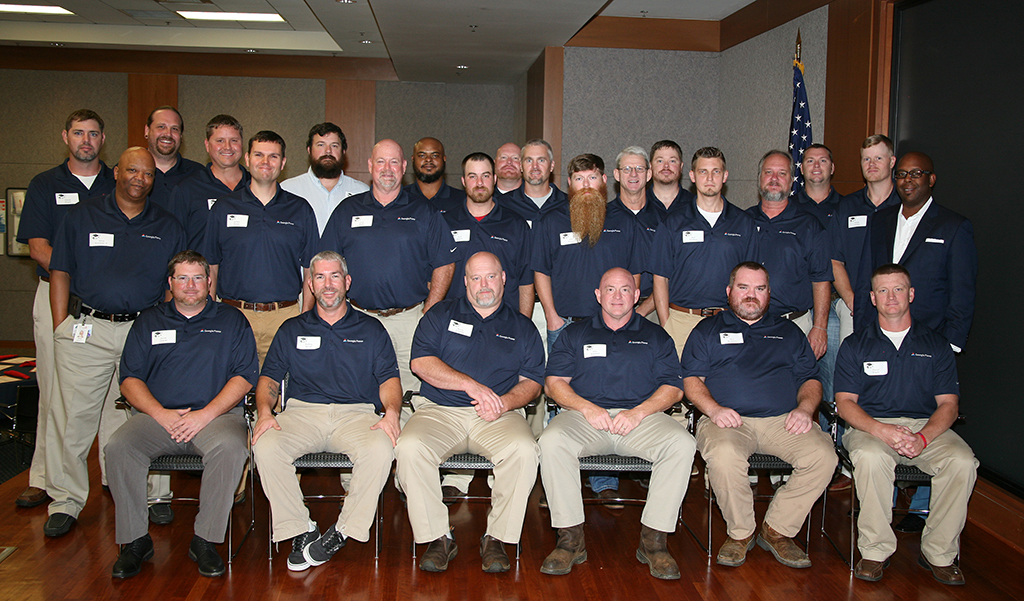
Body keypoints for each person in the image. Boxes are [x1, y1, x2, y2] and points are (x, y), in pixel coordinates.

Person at [44, 147, 186, 538]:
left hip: (145, 330)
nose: (140, 178)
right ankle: (66, 501)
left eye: (147, 173)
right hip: (87, 329)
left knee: (150, 415)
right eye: (132, 170)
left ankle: (157, 497)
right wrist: (61, 327)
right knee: (74, 418)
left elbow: (176, 285)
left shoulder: (168, 224)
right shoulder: (81, 215)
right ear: (116, 172)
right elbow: (60, 271)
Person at [107, 250, 257, 578]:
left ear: (209, 282)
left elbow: (245, 376)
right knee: (118, 446)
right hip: (156, 418)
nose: (190, 285)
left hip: (216, 418)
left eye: (198, 278)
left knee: (231, 449)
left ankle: (205, 540)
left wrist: (203, 415)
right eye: (183, 278)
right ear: (171, 283)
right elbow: (129, 379)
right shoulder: (149, 320)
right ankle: (135, 541)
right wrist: (161, 414)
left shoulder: (232, 320)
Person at [538, 268, 694, 580]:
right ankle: (570, 541)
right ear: (598, 295)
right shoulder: (574, 333)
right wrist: (586, 407)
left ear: (637, 296)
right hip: (585, 418)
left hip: (641, 420)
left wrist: (639, 412)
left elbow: (674, 388)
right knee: (551, 441)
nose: (618, 296)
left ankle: (654, 542)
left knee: (683, 444)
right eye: (610, 289)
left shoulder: (656, 335)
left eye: (625, 290)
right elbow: (553, 383)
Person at [252, 251, 401, 572]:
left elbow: (389, 380)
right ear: (310, 284)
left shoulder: (371, 329)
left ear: (347, 282)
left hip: (357, 414)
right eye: (320, 277)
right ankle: (300, 528)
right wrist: (265, 411)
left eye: (335, 276)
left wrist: (391, 412)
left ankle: (343, 530)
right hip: (302, 413)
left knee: (381, 448)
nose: (328, 284)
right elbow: (269, 378)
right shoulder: (292, 329)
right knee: (265, 446)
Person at [394, 252, 544, 573]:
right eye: (475, 278)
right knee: (408, 447)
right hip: (439, 411)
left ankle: (497, 538)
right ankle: (438, 537)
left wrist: (503, 403)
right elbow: (420, 363)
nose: (483, 285)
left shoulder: (522, 326)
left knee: (525, 450)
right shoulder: (440, 315)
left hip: (498, 415)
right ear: (465, 282)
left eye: (490, 277)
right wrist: (472, 387)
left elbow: (532, 383)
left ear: (504, 279)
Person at [682, 262, 835, 569]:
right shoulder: (707, 330)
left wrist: (805, 409)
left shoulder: (789, 332)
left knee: (824, 457)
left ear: (768, 294)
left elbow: (811, 380)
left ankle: (777, 529)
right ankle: (740, 533)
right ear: (729, 292)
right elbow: (691, 381)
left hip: (783, 421)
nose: (751, 296)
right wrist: (713, 409)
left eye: (759, 289)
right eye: (743, 288)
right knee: (724, 456)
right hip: (727, 420)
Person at [856, 151, 978, 533]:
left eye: (917, 174)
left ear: (931, 179)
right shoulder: (880, 220)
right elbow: (869, 282)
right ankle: (881, 501)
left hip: (932, 345)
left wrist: (950, 347)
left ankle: (923, 509)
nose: (908, 180)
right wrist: (863, 335)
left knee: (934, 420)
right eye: (903, 174)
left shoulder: (955, 226)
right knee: (879, 411)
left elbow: (963, 293)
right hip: (879, 338)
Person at [835, 264, 977, 584]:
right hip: (871, 427)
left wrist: (923, 438)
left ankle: (939, 552)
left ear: (911, 294)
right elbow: (845, 403)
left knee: (963, 461)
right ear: (872, 298)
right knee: (871, 458)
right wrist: (882, 430)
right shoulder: (855, 344)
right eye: (883, 290)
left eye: (898, 289)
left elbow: (949, 405)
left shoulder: (936, 344)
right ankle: (874, 552)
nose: (891, 296)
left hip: (926, 426)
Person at [14, 109, 115, 509]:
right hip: (61, 301)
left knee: (114, 397)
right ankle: (45, 478)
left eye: (93, 134)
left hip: (109, 308)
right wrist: (83, 277)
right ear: (65, 137)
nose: (85, 141)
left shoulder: (117, 181)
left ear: (103, 139)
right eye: (78, 133)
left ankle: (113, 474)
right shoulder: (45, 184)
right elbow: (38, 248)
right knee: (56, 391)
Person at [319, 138, 456, 396]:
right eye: (381, 161)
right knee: (357, 390)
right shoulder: (347, 210)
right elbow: (326, 263)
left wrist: (430, 311)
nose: (387, 168)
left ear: (404, 167)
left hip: (409, 321)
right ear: (370, 166)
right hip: (358, 319)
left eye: (394, 162)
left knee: (411, 395)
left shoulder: (424, 211)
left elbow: (445, 263)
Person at [203, 130, 318, 364]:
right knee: (230, 390)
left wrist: (304, 317)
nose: (265, 162)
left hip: (283, 318)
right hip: (233, 315)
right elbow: (211, 265)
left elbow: (311, 270)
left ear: (283, 162)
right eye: (259, 155)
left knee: (277, 392)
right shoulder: (223, 208)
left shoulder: (300, 209)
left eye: (273, 156)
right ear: (247, 159)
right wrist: (211, 315)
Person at [651, 147, 758, 357]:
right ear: (692, 176)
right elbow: (660, 278)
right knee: (680, 388)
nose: (709, 178)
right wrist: (667, 323)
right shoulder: (673, 222)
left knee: (724, 387)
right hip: (682, 320)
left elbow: (752, 280)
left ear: (725, 176)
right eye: (703, 172)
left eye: (716, 172)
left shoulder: (743, 222)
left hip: (729, 322)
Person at [533, 153, 641, 353]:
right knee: (558, 382)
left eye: (592, 177)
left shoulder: (625, 221)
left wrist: (626, 316)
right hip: (563, 325)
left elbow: (634, 273)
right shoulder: (550, 220)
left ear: (604, 180)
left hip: (612, 324)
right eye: (579, 179)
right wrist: (551, 317)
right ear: (569, 183)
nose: (585, 185)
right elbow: (541, 271)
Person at [746, 150, 832, 361]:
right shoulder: (742, 221)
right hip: (749, 326)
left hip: (795, 325)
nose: (774, 179)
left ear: (792, 181)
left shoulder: (809, 225)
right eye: (768, 172)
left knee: (797, 390)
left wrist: (820, 327)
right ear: (759, 179)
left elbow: (821, 279)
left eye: (782, 173)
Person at [830, 135, 901, 342]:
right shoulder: (846, 206)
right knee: (851, 368)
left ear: (892, 161)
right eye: (866, 159)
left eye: (878, 158)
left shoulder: (904, 206)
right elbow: (835, 261)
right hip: (853, 306)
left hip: (896, 306)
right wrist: (854, 301)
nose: (871, 164)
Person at [167, 114, 249, 250]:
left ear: (242, 144)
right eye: (220, 141)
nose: (227, 147)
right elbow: (173, 242)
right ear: (207, 145)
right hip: (203, 270)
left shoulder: (255, 186)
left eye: (234, 140)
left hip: (246, 271)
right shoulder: (187, 189)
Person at [280, 122, 369, 235]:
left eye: (334, 146)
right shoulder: (287, 190)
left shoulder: (362, 192)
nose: (328, 151)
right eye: (321, 145)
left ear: (343, 151)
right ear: (309, 150)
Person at [609, 146, 657, 318]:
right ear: (616, 174)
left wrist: (642, 311)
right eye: (627, 169)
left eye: (639, 169)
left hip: (653, 309)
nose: (633, 174)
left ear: (649, 174)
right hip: (611, 308)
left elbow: (671, 274)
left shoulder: (664, 220)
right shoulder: (602, 218)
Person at [144, 106, 203, 210]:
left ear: (181, 136)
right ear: (147, 131)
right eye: (161, 127)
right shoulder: (127, 173)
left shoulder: (199, 174)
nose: (168, 134)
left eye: (174, 129)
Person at [403, 136, 466, 213]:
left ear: (444, 159)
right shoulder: (399, 197)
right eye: (422, 155)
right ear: (413, 159)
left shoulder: (463, 200)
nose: (428, 159)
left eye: (435, 155)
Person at [793, 143, 842, 228]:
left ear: (832, 168)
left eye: (823, 160)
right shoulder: (788, 206)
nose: (816, 165)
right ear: (802, 169)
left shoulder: (847, 206)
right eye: (810, 161)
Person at [645, 140, 695, 218]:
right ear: (650, 166)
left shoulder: (695, 205)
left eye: (672, 161)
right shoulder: (638, 204)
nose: (666, 166)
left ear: (681, 167)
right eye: (660, 161)